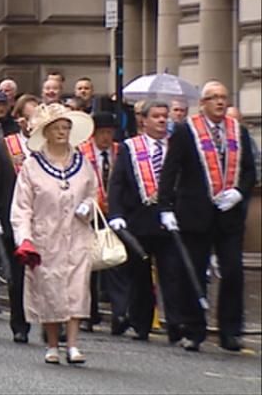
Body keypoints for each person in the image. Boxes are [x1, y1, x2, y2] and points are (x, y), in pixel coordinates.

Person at [157, 81, 256, 352]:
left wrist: (239, 191)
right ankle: (194, 329)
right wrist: (164, 206)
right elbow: (171, 170)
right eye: (213, 98)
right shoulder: (186, 131)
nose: (220, 102)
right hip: (194, 214)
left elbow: (249, 170)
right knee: (194, 273)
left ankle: (231, 331)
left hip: (228, 215)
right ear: (203, 103)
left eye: (223, 97)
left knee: (233, 272)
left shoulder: (239, 131)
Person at [11, 103, 97, 365]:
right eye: (56, 128)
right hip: (45, 237)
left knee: (77, 288)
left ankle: (72, 344)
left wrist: (88, 206)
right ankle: (52, 344)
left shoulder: (82, 163)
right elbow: (22, 207)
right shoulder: (31, 166)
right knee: (50, 290)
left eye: (65, 128)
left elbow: (93, 193)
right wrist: (24, 238)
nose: (61, 132)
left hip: (78, 234)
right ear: (45, 132)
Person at [107, 100, 180, 342]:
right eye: (157, 116)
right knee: (140, 276)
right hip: (139, 220)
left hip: (169, 220)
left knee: (171, 273)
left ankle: (175, 323)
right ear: (144, 120)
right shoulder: (130, 147)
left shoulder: (176, 146)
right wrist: (116, 215)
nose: (162, 120)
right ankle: (141, 323)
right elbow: (117, 183)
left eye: (164, 116)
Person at [0, 93, 40, 343]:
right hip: (14, 220)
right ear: (20, 121)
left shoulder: (53, 148)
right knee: (17, 277)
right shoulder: (4, 147)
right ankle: (20, 323)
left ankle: (54, 322)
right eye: (32, 117)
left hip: (47, 220)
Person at [77, 112, 124, 333]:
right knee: (89, 266)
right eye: (102, 133)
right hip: (89, 213)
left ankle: (119, 313)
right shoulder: (82, 152)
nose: (106, 138)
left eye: (109, 133)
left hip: (114, 214)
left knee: (114, 261)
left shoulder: (120, 151)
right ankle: (88, 312)